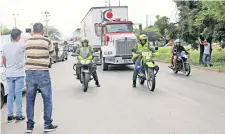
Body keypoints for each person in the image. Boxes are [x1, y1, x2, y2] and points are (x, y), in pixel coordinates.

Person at [24, 22, 58, 133]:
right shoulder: (47, 41)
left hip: (29, 72)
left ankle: (29, 126)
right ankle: (47, 124)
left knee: (29, 99)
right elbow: (52, 53)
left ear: (33, 30)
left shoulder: (27, 41)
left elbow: (26, 54)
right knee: (47, 99)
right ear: (42, 31)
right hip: (43, 72)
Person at [1, 28, 25, 122]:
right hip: (19, 74)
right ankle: (19, 115)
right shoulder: (21, 46)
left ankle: (10, 116)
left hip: (9, 74)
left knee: (10, 94)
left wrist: (8, 68)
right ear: (18, 36)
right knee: (18, 94)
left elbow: (3, 60)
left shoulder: (5, 46)